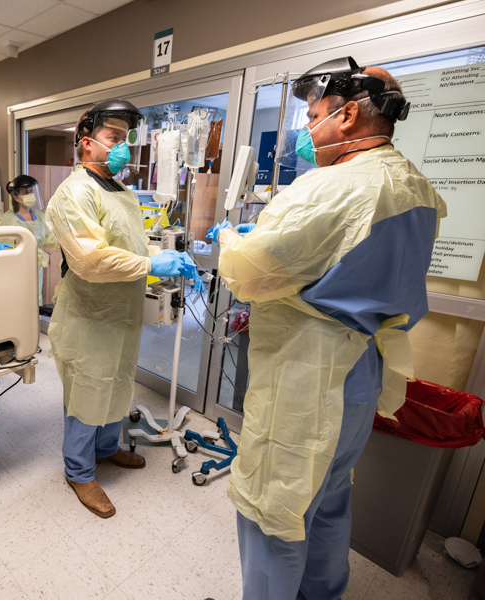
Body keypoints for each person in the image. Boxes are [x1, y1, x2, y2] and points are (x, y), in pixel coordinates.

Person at [210, 57, 447, 598]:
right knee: (330, 496)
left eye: (313, 114)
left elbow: (250, 274)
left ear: (345, 117)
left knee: (276, 507)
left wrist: (231, 241)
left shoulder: (331, 187)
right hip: (361, 373)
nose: (304, 128)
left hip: (308, 374)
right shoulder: (415, 186)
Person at [45, 99, 201, 518]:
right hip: (90, 313)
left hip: (122, 312)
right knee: (88, 388)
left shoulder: (122, 191)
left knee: (117, 382)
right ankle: (78, 471)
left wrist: (163, 253)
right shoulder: (73, 192)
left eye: (125, 138)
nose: (123, 148)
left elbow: (129, 245)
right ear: (86, 142)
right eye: (113, 138)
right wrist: (151, 264)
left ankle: (107, 448)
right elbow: (91, 260)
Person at [0, 175, 58, 304]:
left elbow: (52, 239)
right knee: (19, 301)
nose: (30, 195)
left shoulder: (40, 217)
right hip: (17, 268)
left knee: (36, 299)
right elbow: (2, 248)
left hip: (36, 266)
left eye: (31, 191)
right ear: (15, 197)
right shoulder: (8, 220)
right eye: (25, 192)